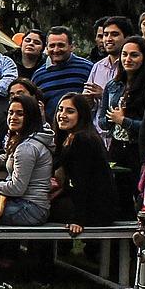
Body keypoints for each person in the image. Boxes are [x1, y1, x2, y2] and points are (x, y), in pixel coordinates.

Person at [0, 92, 54, 227]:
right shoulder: (29, 138)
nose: (13, 117)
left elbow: (17, 189)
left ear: (31, 117)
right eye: (11, 113)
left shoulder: (27, 147)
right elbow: (11, 155)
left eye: (20, 114)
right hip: (27, 205)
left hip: (30, 209)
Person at [51, 93, 119, 234]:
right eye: (60, 109)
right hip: (85, 201)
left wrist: (78, 219)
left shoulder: (83, 139)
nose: (62, 115)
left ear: (81, 115)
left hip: (96, 208)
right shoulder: (67, 136)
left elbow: (82, 181)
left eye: (70, 111)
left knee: (41, 210)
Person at [102, 35, 145, 206]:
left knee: (140, 195)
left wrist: (123, 120)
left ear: (143, 58)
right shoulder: (113, 85)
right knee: (117, 194)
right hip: (116, 146)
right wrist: (113, 119)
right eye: (124, 54)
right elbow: (103, 121)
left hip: (138, 149)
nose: (128, 59)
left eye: (134, 55)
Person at [32, 27, 94, 111]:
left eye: (61, 45)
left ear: (71, 47)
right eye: (52, 46)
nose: (56, 50)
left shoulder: (87, 68)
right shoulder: (38, 75)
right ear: (46, 48)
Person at [86, 16, 130, 96]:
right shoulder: (98, 67)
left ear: (127, 38)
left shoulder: (133, 65)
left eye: (114, 34)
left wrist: (104, 95)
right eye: (105, 35)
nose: (108, 39)